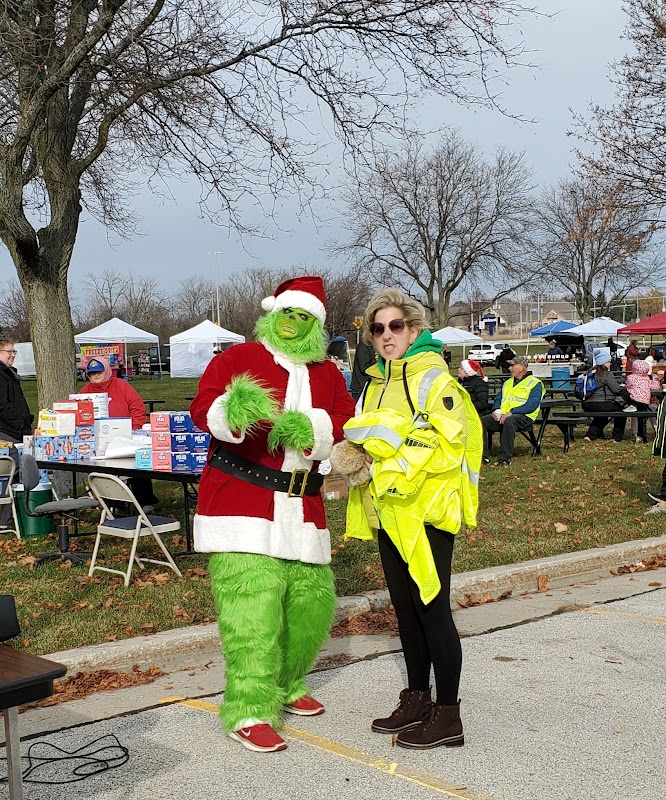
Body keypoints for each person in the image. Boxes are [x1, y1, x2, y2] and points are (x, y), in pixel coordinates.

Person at [189, 276, 355, 753]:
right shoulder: (238, 359)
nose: (294, 324)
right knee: (253, 614)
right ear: (272, 315)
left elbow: (347, 417)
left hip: (303, 508)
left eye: (305, 318)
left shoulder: (326, 372)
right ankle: (249, 708)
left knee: (310, 608)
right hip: (241, 501)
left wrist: (317, 428)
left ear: (317, 327)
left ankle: (285, 685)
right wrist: (232, 411)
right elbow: (204, 410)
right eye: (289, 314)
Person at [332, 288, 482, 750]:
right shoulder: (375, 382)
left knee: (433, 611)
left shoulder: (434, 379)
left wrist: (383, 462)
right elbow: (371, 437)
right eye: (377, 328)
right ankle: (418, 698)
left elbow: (447, 444)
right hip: (389, 514)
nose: (385, 335)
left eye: (395, 326)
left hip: (429, 514)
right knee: (405, 610)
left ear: (414, 330)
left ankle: (449, 716)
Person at [79, 357, 157, 507]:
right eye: (92, 372)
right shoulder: (84, 392)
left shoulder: (121, 386)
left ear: (107, 370)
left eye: (99, 371)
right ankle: (113, 503)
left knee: (136, 464)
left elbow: (137, 408)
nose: (95, 375)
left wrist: (134, 429)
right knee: (103, 469)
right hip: (98, 440)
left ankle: (146, 500)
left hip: (126, 436)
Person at [480, 355, 544, 466]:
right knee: (480, 422)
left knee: (510, 421)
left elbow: (532, 405)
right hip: (503, 415)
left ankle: (505, 458)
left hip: (524, 417)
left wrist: (511, 412)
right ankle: (482, 456)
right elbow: (499, 398)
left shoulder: (535, 383)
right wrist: (495, 410)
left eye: (512, 366)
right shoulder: (507, 382)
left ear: (522, 368)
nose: (509, 368)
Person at [0, 339, 33, 530]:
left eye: (14, 351)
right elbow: (2, 405)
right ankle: (6, 520)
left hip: (16, 430)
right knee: (9, 471)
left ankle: (14, 516)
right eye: (8, 352)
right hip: (7, 431)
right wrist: (20, 423)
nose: (12, 354)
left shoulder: (9, 373)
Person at [581, 350, 632, 442]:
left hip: (586, 403)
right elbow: (616, 390)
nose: (610, 363)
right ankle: (617, 437)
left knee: (602, 416)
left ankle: (590, 435)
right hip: (601, 403)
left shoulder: (589, 372)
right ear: (603, 362)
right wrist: (622, 387)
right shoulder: (607, 374)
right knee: (621, 412)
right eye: (608, 361)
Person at [624, 360, 660, 444]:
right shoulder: (647, 379)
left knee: (636, 414)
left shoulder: (631, 377)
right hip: (646, 402)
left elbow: (627, 386)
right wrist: (656, 380)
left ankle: (635, 433)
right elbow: (655, 387)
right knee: (644, 415)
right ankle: (650, 433)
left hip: (635, 401)